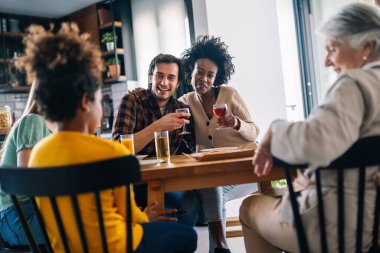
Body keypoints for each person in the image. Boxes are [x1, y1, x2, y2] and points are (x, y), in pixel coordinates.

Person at [17, 23, 197, 253]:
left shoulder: (39, 153)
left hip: (67, 248)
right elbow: (131, 217)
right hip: (116, 245)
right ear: (85, 102)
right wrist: (146, 216)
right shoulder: (113, 152)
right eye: (100, 100)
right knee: (188, 236)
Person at [240, 3, 380, 253]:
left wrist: (275, 128)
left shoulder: (354, 84)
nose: (327, 62)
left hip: (336, 227)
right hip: (373, 223)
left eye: (333, 49)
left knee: (249, 206)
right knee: (279, 195)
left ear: (366, 47)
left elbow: (316, 142)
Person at [180, 35, 259, 253]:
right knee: (212, 186)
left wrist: (236, 123)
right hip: (215, 172)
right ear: (191, 71)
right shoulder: (185, 101)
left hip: (245, 168)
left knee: (212, 192)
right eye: (199, 71)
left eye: (210, 75)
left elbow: (254, 133)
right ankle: (221, 248)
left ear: (217, 77)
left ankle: (219, 246)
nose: (203, 78)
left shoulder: (229, 94)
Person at [112, 53, 199, 226]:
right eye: (159, 75)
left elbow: (190, 147)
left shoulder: (181, 109)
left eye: (171, 77)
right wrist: (158, 126)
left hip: (166, 179)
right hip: (135, 182)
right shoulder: (131, 101)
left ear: (178, 83)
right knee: (161, 210)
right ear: (151, 77)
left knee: (190, 204)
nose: (164, 82)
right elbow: (118, 149)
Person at [0, 81, 53, 247]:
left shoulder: (55, 131)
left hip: (33, 211)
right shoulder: (34, 121)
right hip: (18, 216)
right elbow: (27, 181)